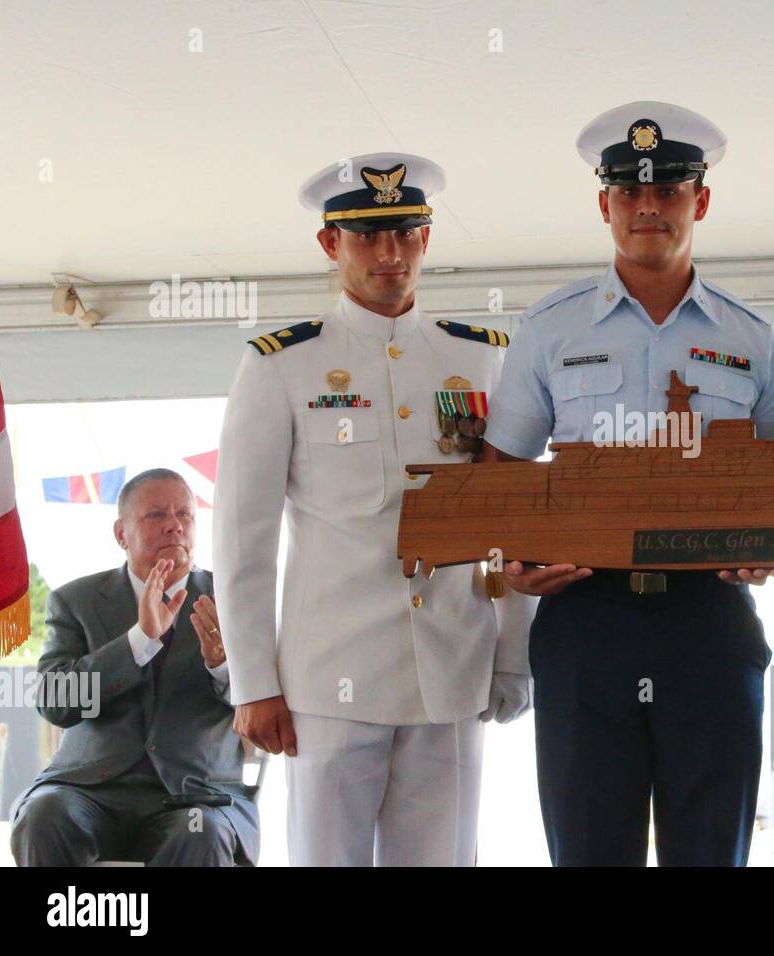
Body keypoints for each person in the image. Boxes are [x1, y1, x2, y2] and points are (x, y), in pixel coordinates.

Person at [483, 101, 774, 866]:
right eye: (629, 191)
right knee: (590, 849)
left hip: (710, 624)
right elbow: (499, 478)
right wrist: (513, 564)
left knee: (710, 850)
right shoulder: (549, 329)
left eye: (668, 190)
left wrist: (772, 548)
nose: (648, 207)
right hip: (585, 623)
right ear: (605, 205)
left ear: (701, 200)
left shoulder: (753, 337)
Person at [213, 152, 534, 866]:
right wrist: (254, 682)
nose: (390, 254)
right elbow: (243, 540)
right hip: (329, 674)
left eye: (407, 233)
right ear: (331, 245)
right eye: (367, 236)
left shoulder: (484, 359)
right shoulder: (281, 365)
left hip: (451, 665)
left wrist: (514, 655)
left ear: (427, 238)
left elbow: (511, 522)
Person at [10, 469, 257, 866]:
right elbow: (57, 703)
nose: (174, 526)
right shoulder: (77, 601)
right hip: (89, 791)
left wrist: (224, 667)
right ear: (121, 534)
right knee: (44, 816)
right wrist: (138, 641)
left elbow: (265, 702)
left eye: (184, 515)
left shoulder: (229, 599)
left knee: (200, 833)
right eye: (156, 515)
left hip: (195, 794)